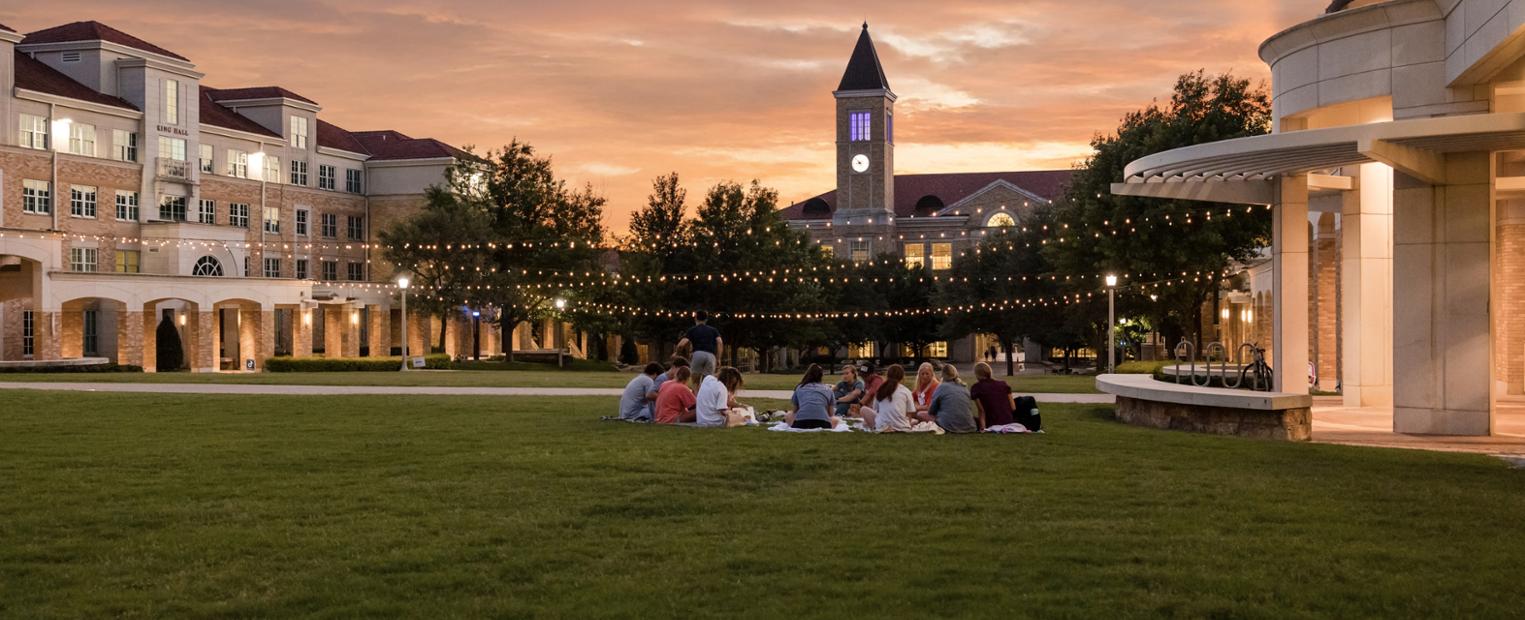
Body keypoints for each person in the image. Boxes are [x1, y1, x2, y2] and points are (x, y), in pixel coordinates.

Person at [917, 364, 979, 433]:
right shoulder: (964, 387)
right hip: (969, 425)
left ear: (942, 375)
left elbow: (931, 410)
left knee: (920, 414)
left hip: (948, 425)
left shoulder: (941, 387)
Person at [864, 364, 915, 433]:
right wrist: (907, 424)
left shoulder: (880, 390)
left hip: (882, 426)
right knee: (915, 421)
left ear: (887, 375)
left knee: (863, 409)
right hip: (902, 426)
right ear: (902, 377)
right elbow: (910, 412)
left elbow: (876, 409)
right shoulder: (906, 391)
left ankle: (882, 426)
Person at [786, 364, 838, 430]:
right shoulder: (828, 389)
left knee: (788, 415)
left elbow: (795, 410)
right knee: (835, 419)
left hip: (801, 423)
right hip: (823, 424)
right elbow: (831, 414)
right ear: (821, 376)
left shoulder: (800, 387)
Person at [675, 311, 722, 382]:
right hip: (711, 356)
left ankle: (696, 392)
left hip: (697, 354)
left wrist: (678, 354)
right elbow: (720, 342)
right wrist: (718, 358)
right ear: (706, 319)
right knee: (708, 381)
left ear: (695, 318)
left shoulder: (692, 330)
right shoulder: (714, 330)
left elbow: (681, 345)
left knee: (695, 381)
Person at [968, 362, 1016, 430]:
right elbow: (1013, 407)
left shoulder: (976, 388)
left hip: (991, 422)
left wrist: (983, 428)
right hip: (1008, 421)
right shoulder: (1003, 384)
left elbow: (981, 410)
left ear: (977, 374)